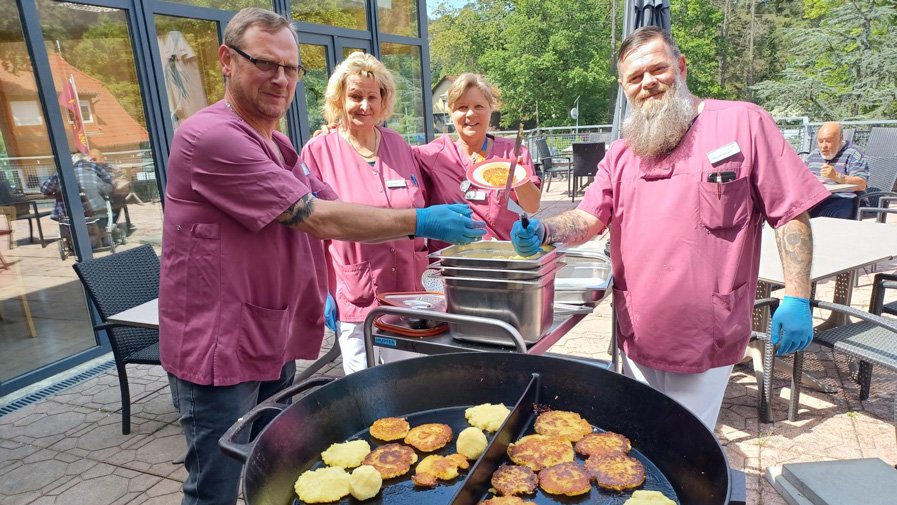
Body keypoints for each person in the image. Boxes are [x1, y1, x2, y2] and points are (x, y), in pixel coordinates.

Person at [158, 8, 484, 505]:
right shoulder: (212, 137)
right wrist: (420, 220)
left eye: (290, 67)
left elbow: (339, 204)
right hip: (218, 347)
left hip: (270, 335)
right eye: (265, 63)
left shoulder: (280, 144)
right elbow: (315, 216)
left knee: (270, 471)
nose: (280, 78)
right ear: (226, 60)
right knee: (215, 487)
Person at [511, 26, 830, 431]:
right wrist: (544, 230)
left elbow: (789, 213)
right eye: (634, 78)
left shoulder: (743, 123)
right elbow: (589, 218)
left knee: (685, 443)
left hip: (707, 332)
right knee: (645, 437)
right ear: (624, 88)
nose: (647, 83)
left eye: (657, 69)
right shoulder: (624, 151)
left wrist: (797, 297)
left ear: (680, 67)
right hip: (640, 330)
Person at [300, 52, 428, 374]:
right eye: (355, 96)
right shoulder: (318, 151)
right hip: (355, 294)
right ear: (340, 98)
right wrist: (320, 292)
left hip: (408, 293)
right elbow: (308, 229)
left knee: (409, 380)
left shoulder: (400, 146)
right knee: (365, 387)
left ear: (384, 100)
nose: (364, 106)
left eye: (373, 97)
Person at [415, 73, 541, 252]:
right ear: (451, 112)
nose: (470, 114)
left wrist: (519, 178)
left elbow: (532, 206)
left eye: (479, 106)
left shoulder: (512, 152)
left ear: (491, 109)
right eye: (462, 107)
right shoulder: (431, 155)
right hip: (451, 266)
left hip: (501, 261)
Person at [41, 153, 115, 248]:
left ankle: (73, 239)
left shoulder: (61, 171)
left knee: (61, 197)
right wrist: (100, 189)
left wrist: (54, 192)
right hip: (96, 210)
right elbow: (110, 183)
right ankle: (103, 235)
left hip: (69, 213)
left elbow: (45, 188)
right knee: (105, 203)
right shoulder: (95, 167)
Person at [806, 121, 869, 219]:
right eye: (820, 141)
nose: (823, 146)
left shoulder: (853, 154)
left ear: (841, 138)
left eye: (828, 141)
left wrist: (836, 176)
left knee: (825, 217)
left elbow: (862, 184)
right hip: (817, 198)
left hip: (845, 199)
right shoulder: (813, 155)